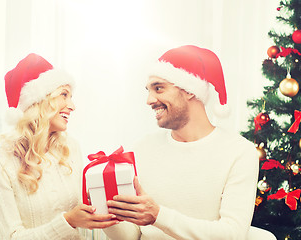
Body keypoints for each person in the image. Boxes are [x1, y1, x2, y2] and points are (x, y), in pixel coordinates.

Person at [103, 45, 265, 239]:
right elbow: (132, 235)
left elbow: (232, 234)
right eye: (148, 90)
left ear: (189, 90)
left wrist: (158, 215)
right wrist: (105, 214)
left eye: (158, 88)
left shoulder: (239, 152)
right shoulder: (142, 149)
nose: (149, 100)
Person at [0, 53, 118, 240]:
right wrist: (68, 222)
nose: (72, 106)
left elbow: (83, 218)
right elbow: (11, 237)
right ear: (39, 101)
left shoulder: (70, 147)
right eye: (64, 95)